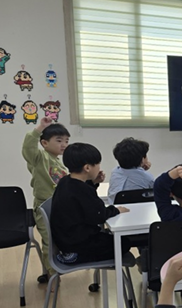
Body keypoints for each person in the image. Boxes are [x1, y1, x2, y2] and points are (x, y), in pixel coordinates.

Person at [50, 143, 131, 264]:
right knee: (124, 243)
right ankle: (77, 257)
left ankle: (71, 255)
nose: (99, 167)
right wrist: (117, 210)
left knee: (110, 238)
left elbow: (85, 201)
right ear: (87, 168)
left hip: (66, 240)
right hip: (78, 244)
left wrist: (93, 183)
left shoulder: (66, 181)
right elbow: (99, 215)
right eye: (97, 164)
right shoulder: (82, 190)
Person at [21, 116, 70, 279]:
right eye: (59, 140)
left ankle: (60, 265)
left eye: (66, 141)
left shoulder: (60, 163)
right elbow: (28, 148)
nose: (64, 144)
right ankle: (52, 274)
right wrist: (39, 128)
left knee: (59, 238)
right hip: (44, 207)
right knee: (49, 241)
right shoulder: (39, 158)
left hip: (61, 207)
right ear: (44, 143)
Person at [108, 137, 154, 202]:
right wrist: (142, 171)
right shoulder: (148, 178)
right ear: (142, 159)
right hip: (139, 210)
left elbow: (130, 175)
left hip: (115, 209)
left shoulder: (115, 172)